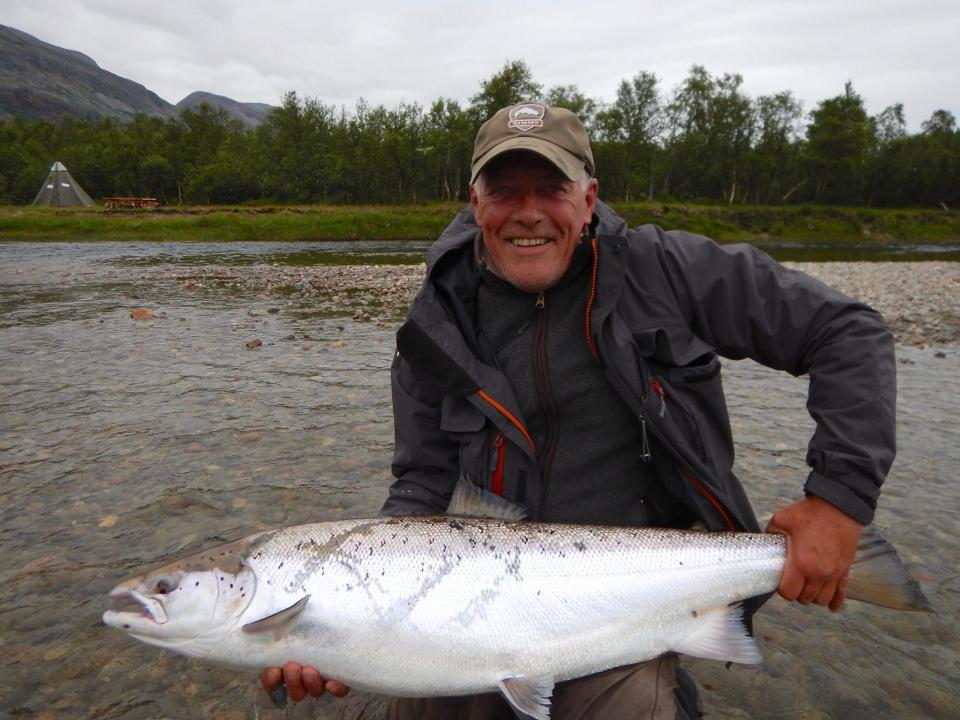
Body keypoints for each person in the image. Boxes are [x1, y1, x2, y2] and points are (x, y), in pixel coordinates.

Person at [260, 103, 895, 718]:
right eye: (505, 190)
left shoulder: (667, 272)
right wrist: (334, 627)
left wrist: (838, 501)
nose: (529, 213)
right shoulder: (436, 325)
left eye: (552, 188)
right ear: (474, 201)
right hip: (474, 599)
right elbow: (424, 482)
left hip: (632, 590)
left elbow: (846, 331)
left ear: (588, 199)